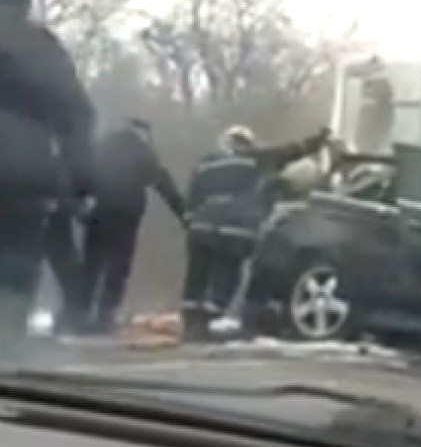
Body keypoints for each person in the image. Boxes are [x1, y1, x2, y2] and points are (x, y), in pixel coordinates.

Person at [0, 0, 95, 359]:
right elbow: (77, 113)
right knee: (18, 254)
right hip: (26, 170)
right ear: (26, 3)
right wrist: (80, 180)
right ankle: (8, 345)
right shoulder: (41, 46)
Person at [181, 124, 331, 340]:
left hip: (201, 227)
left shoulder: (206, 163)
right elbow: (291, 150)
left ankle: (190, 324)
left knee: (196, 276)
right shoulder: (257, 158)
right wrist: (318, 140)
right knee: (224, 276)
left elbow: (192, 196)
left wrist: (190, 219)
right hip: (234, 229)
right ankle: (206, 325)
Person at [79, 118, 186, 334]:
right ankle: (105, 315)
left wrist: (78, 204)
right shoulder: (142, 150)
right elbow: (162, 181)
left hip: (98, 210)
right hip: (127, 213)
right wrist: (183, 212)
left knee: (91, 263)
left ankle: (78, 313)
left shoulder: (101, 145)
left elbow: (83, 174)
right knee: (118, 265)